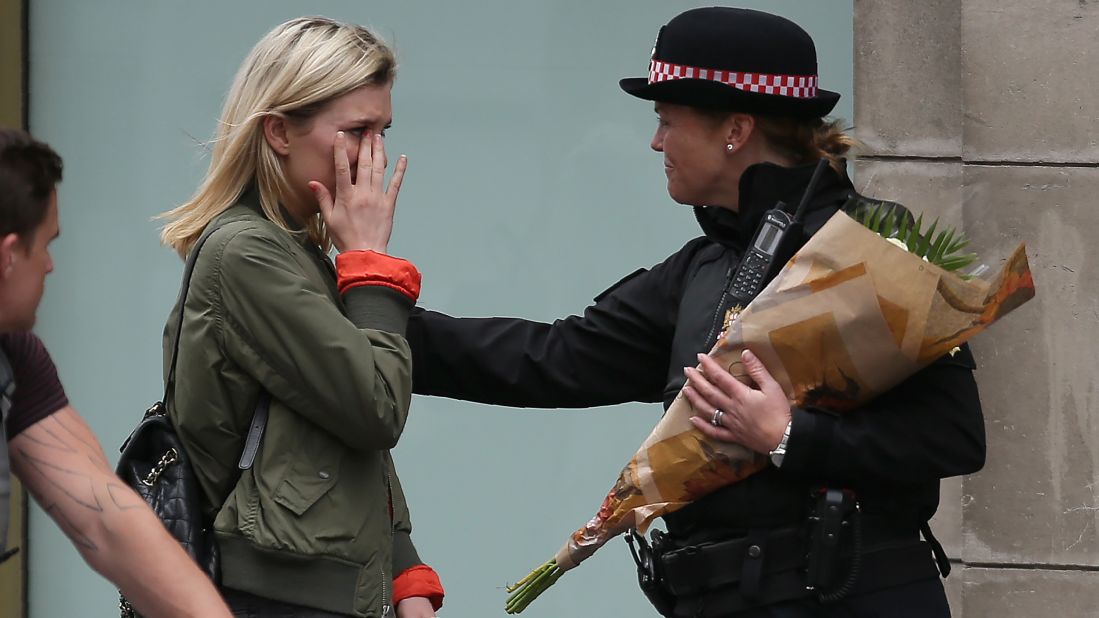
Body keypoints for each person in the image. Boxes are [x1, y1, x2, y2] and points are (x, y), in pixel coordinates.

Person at [407, 7, 984, 618]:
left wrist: (788, 436)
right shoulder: (700, 267)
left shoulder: (872, 245)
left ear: (735, 129)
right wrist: (369, 319)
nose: (656, 142)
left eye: (667, 121)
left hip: (844, 597)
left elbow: (953, 436)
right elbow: (551, 358)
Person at [156, 17, 442, 618]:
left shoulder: (296, 248)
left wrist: (403, 565)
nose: (375, 156)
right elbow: (375, 407)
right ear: (280, 132)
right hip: (276, 597)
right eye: (357, 131)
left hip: (323, 589)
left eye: (383, 130)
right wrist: (369, 264)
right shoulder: (246, 252)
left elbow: (335, 434)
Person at [0, 128, 234, 617]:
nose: (49, 266)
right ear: (7, 257)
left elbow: (107, 518)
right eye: (45, 246)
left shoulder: (17, 361)